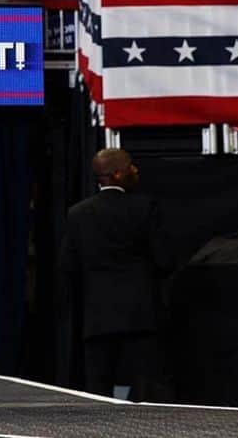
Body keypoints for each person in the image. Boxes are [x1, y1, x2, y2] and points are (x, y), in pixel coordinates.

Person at [59, 148, 175, 402]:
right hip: (141, 316)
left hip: (97, 318)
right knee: (146, 393)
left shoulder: (77, 214)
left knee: (98, 394)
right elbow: (164, 259)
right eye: (131, 165)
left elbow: (68, 266)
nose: (136, 170)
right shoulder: (144, 207)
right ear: (117, 173)